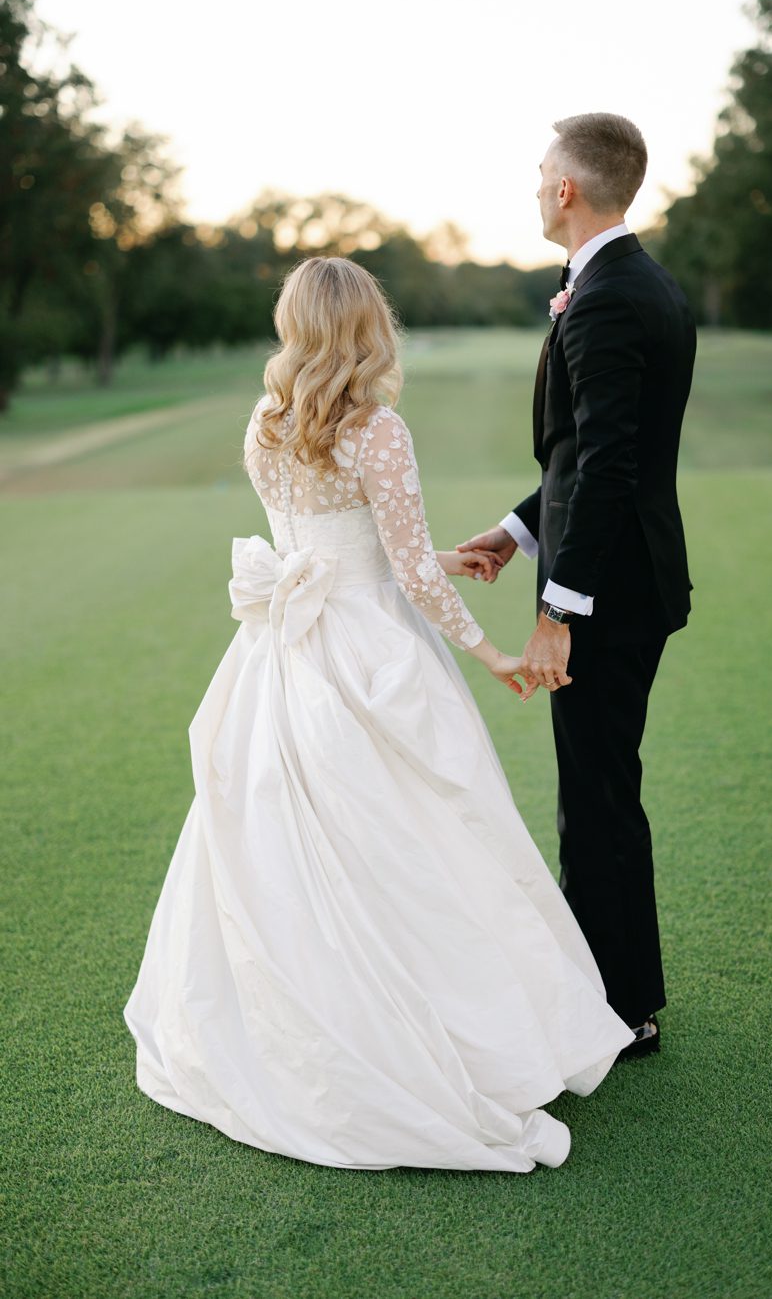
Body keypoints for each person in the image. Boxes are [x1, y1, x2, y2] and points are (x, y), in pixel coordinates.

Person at [123, 255, 636, 1174]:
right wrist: (490, 653)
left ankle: (301, 1025)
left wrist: (440, 557)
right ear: (368, 326)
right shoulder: (376, 429)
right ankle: (441, 1040)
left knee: (288, 843)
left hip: (286, 650)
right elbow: (396, 572)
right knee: (420, 833)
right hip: (368, 650)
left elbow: (336, 545)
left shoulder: (267, 418)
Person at [458, 113, 696, 1058]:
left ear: (567, 188)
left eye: (541, 171)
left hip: (608, 591)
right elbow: (586, 455)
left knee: (595, 798)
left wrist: (560, 609)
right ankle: (612, 991)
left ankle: (618, 1007)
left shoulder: (604, 298)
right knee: (601, 788)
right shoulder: (635, 282)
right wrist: (520, 531)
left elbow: (608, 465)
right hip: (628, 576)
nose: (534, 185)